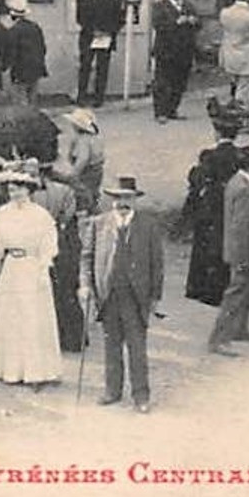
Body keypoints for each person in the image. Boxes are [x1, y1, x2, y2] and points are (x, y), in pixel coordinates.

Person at [80, 175, 164, 413]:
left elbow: (157, 264)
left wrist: (155, 297)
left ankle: (141, 395)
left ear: (135, 200)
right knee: (111, 345)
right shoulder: (98, 223)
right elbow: (86, 257)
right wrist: (85, 285)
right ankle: (112, 390)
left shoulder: (148, 225)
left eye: (127, 198)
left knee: (137, 347)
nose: (122, 203)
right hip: (107, 295)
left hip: (136, 297)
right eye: (117, 198)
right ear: (111, 200)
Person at [0, 165, 63, 388]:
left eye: (19, 190)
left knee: (31, 316)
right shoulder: (3, 213)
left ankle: (36, 371)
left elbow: (49, 245)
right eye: (11, 190)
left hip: (31, 267)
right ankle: (9, 369)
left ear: (28, 190)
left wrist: (44, 267)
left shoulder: (40, 215)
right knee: (10, 314)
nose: (15, 194)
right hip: (11, 268)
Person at [182, 98, 249, 308]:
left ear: (217, 133)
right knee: (227, 244)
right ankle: (226, 287)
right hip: (235, 205)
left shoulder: (210, 156)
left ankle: (204, 288)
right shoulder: (242, 155)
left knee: (207, 244)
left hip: (212, 206)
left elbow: (198, 180)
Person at [210, 146, 249, 355]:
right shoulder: (245, 189)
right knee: (236, 293)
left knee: (247, 290)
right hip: (242, 250)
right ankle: (219, 339)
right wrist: (243, 257)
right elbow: (241, 227)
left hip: (243, 249)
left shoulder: (239, 182)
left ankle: (239, 329)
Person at [31, 160, 85, 353]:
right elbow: (68, 217)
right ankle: (72, 339)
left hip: (42, 241)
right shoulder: (66, 190)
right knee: (65, 290)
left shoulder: (31, 192)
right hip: (62, 241)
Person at [151, 0, 200, 123]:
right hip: (166, 49)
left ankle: (172, 109)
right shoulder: (160, 6)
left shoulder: (189, 6)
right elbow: (158, 25)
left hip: (184, 49)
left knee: (180, 81)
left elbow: (199, 25)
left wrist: (194, 21)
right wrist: (176, 22)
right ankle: (161, 112)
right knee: (162, 81)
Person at [75, 0, 126, 107]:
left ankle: (81, 97)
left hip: (88, 36)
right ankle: (99, 98)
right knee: (102, 68)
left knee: (85, 67)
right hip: (107, 37)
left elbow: (80, 18)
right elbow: (121, 20)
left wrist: (93, 30)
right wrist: (108, 31)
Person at [50, 107, 105, 216]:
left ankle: (87, 212)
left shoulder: (83, 140)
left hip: (87, 172)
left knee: (82, 193)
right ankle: (93, 210)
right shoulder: (94, 138)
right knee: (93, 192)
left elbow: (83, 159)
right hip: (96, 170)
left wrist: (74, 173)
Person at [3, 0, 48, 104]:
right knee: (32, 98)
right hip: (36, 68)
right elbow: (43, 48)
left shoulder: (14, 31)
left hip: (20, 71)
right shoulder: (35, 27)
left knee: (20, 101)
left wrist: (4, 66)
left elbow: (11, 53)